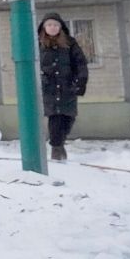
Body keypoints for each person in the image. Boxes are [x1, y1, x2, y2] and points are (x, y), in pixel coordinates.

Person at [37, 13, 88, 161]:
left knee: (68, 117)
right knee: (55, 118)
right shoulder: (38, 44)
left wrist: (81, 81)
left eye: (55, 25)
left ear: (60, 27)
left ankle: (59, 144)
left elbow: (80, 63)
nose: (52, 28)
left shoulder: (70, 43)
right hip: (49, 88)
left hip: (67, 86)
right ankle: (56, 149)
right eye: (49, 25)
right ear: (44, 27)